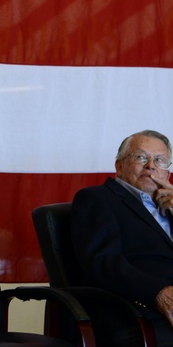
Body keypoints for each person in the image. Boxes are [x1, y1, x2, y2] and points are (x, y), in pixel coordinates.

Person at [71, 129, 173, 346]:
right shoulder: (97, 199)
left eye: (160, 160)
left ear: (168, 173)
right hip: (143, 309)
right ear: (119, 166)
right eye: (141, 157)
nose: (151, 166)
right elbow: (103, 263)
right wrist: (158, 292)